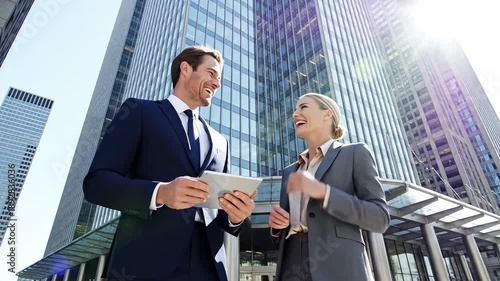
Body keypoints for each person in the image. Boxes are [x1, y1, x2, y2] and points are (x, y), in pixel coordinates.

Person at [83, 46, 256, 281]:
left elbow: (217, 211)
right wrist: (161, 193)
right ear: (185, 69)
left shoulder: (221, 142)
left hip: (208, 266)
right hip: (145, 262)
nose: (217, 84)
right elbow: (97, 183)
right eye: (211, 73)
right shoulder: (139, 111)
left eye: (219, 78)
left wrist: (237, 216)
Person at [268, 93, 390, 281]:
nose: (295, 114)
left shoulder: (355, 153)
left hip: (340, 266)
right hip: (291, 267)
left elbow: (380, 218)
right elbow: (286, 229)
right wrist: (278, 226)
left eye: (303, 107)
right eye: (295, 109)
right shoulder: (290, 171)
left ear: (327, 114)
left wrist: (324, 193)